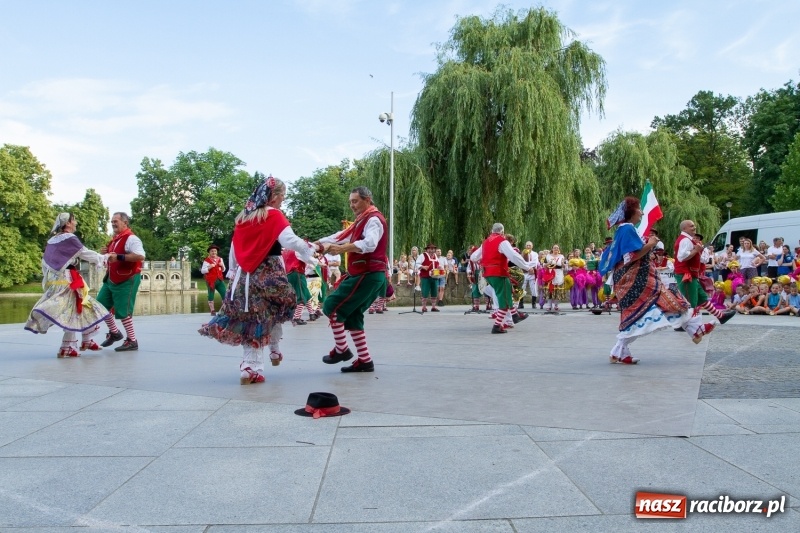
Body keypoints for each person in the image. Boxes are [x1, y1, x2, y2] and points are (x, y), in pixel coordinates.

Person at [199, 176, 316, 384]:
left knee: (248, 319)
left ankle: (248, 367)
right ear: (275, 196)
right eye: (282, 196)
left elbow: (235, 248)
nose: (282, 200)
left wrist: (233, 270)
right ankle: (273, 350)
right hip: (269, 274)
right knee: (277, 310)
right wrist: (311, 249)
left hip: (244, 276)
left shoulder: (244, 217)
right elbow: (289, 240)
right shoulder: (275, 215)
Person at [599, 198, 724, 365]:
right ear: (632, 212)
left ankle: (694, 329)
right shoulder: (627, 229)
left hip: (640, 279)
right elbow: (631, 256)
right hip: (638, 280)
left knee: (658, 305)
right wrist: (650, 244)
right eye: (639, 209)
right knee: (654, 307)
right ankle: (695, 329)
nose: (642, 213)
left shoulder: (625, 230)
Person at [316, 186, 388, 373]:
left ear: (367, 199)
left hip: (367, 273)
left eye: (355, 201)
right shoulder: (361, 221)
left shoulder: (373, 219)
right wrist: (319, 243)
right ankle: (365, 361)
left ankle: (342, 349)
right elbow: (339, 237)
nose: (352, 205)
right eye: (350, 202)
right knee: (354, 316)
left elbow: (370, 244)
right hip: (370, 275)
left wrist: (342, 249)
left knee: (331, 306)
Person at [25, 213, 111, 357]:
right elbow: (85, 253)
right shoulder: (69, 238)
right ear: (68, 223)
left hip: (59, 278)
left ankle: (82, 341)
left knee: (79, 307)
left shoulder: (53, 240)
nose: (76, 222)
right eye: (74, 220)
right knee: (77, 308)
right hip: (68, 280)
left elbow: (46, 263)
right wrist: (103, 258)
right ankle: (72, 344)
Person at [470, 223, 536, 333]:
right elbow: (514, 256)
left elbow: (473, 257)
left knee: (507, 293)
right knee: (503, 301)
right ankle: (497, 326)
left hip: (488, 274)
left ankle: (515, 315)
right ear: (502, 231)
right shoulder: (502, 241)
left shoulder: (485, 242)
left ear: (492, 231)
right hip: (499, 273)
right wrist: (527, 267)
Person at [96, 212, 146, 352]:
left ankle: (132, 340)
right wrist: (107, 251)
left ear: (125, 222)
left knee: (123, 311)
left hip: (126, 278)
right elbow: (114, 255)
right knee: (100, 306)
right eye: (112, 221)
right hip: (111, 279)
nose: (113, 223)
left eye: (115, 221)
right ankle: (115, 332)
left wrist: (118, 256)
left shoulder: (132, 238)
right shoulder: (116, 239)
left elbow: (140, 256)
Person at [673, 220, 736, 324]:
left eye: (694, 226)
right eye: (691, 226)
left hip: (690, 274)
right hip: (686, 274)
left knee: (702, 297)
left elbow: (702, 259)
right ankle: (685, 324)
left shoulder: (689, 240)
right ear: (684, 228)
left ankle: (720, 316)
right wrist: (696, 250)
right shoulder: (685, 240)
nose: (694, 227)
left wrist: (699, 251)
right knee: (690, 300)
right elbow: (681, 257)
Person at [201, 244, 226, 315]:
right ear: (209, 252)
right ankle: (212, 310)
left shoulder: (220, 259)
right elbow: (202, 271)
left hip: (220, 279)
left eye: (215, 251)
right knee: (211, 295)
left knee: (225, 293)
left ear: (217, 252)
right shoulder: (206, 260)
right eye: (212, 251)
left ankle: (224, 309)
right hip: (211, 281)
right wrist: (209, 267)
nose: (214, 252)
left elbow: (224, 270)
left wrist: (222, 265)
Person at [417, 243, 441, 312]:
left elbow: (438, 264)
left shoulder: (436, 256)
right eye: (430, 249)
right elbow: (417, 264)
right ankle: (424, 307)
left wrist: (439, 267)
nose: (432, 250)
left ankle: (433, 307)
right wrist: (423, 267)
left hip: (435, 277)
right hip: (425, 277)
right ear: (427, 249)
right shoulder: (423, 255)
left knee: (434, 292)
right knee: (425, 292)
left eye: (433, 249)